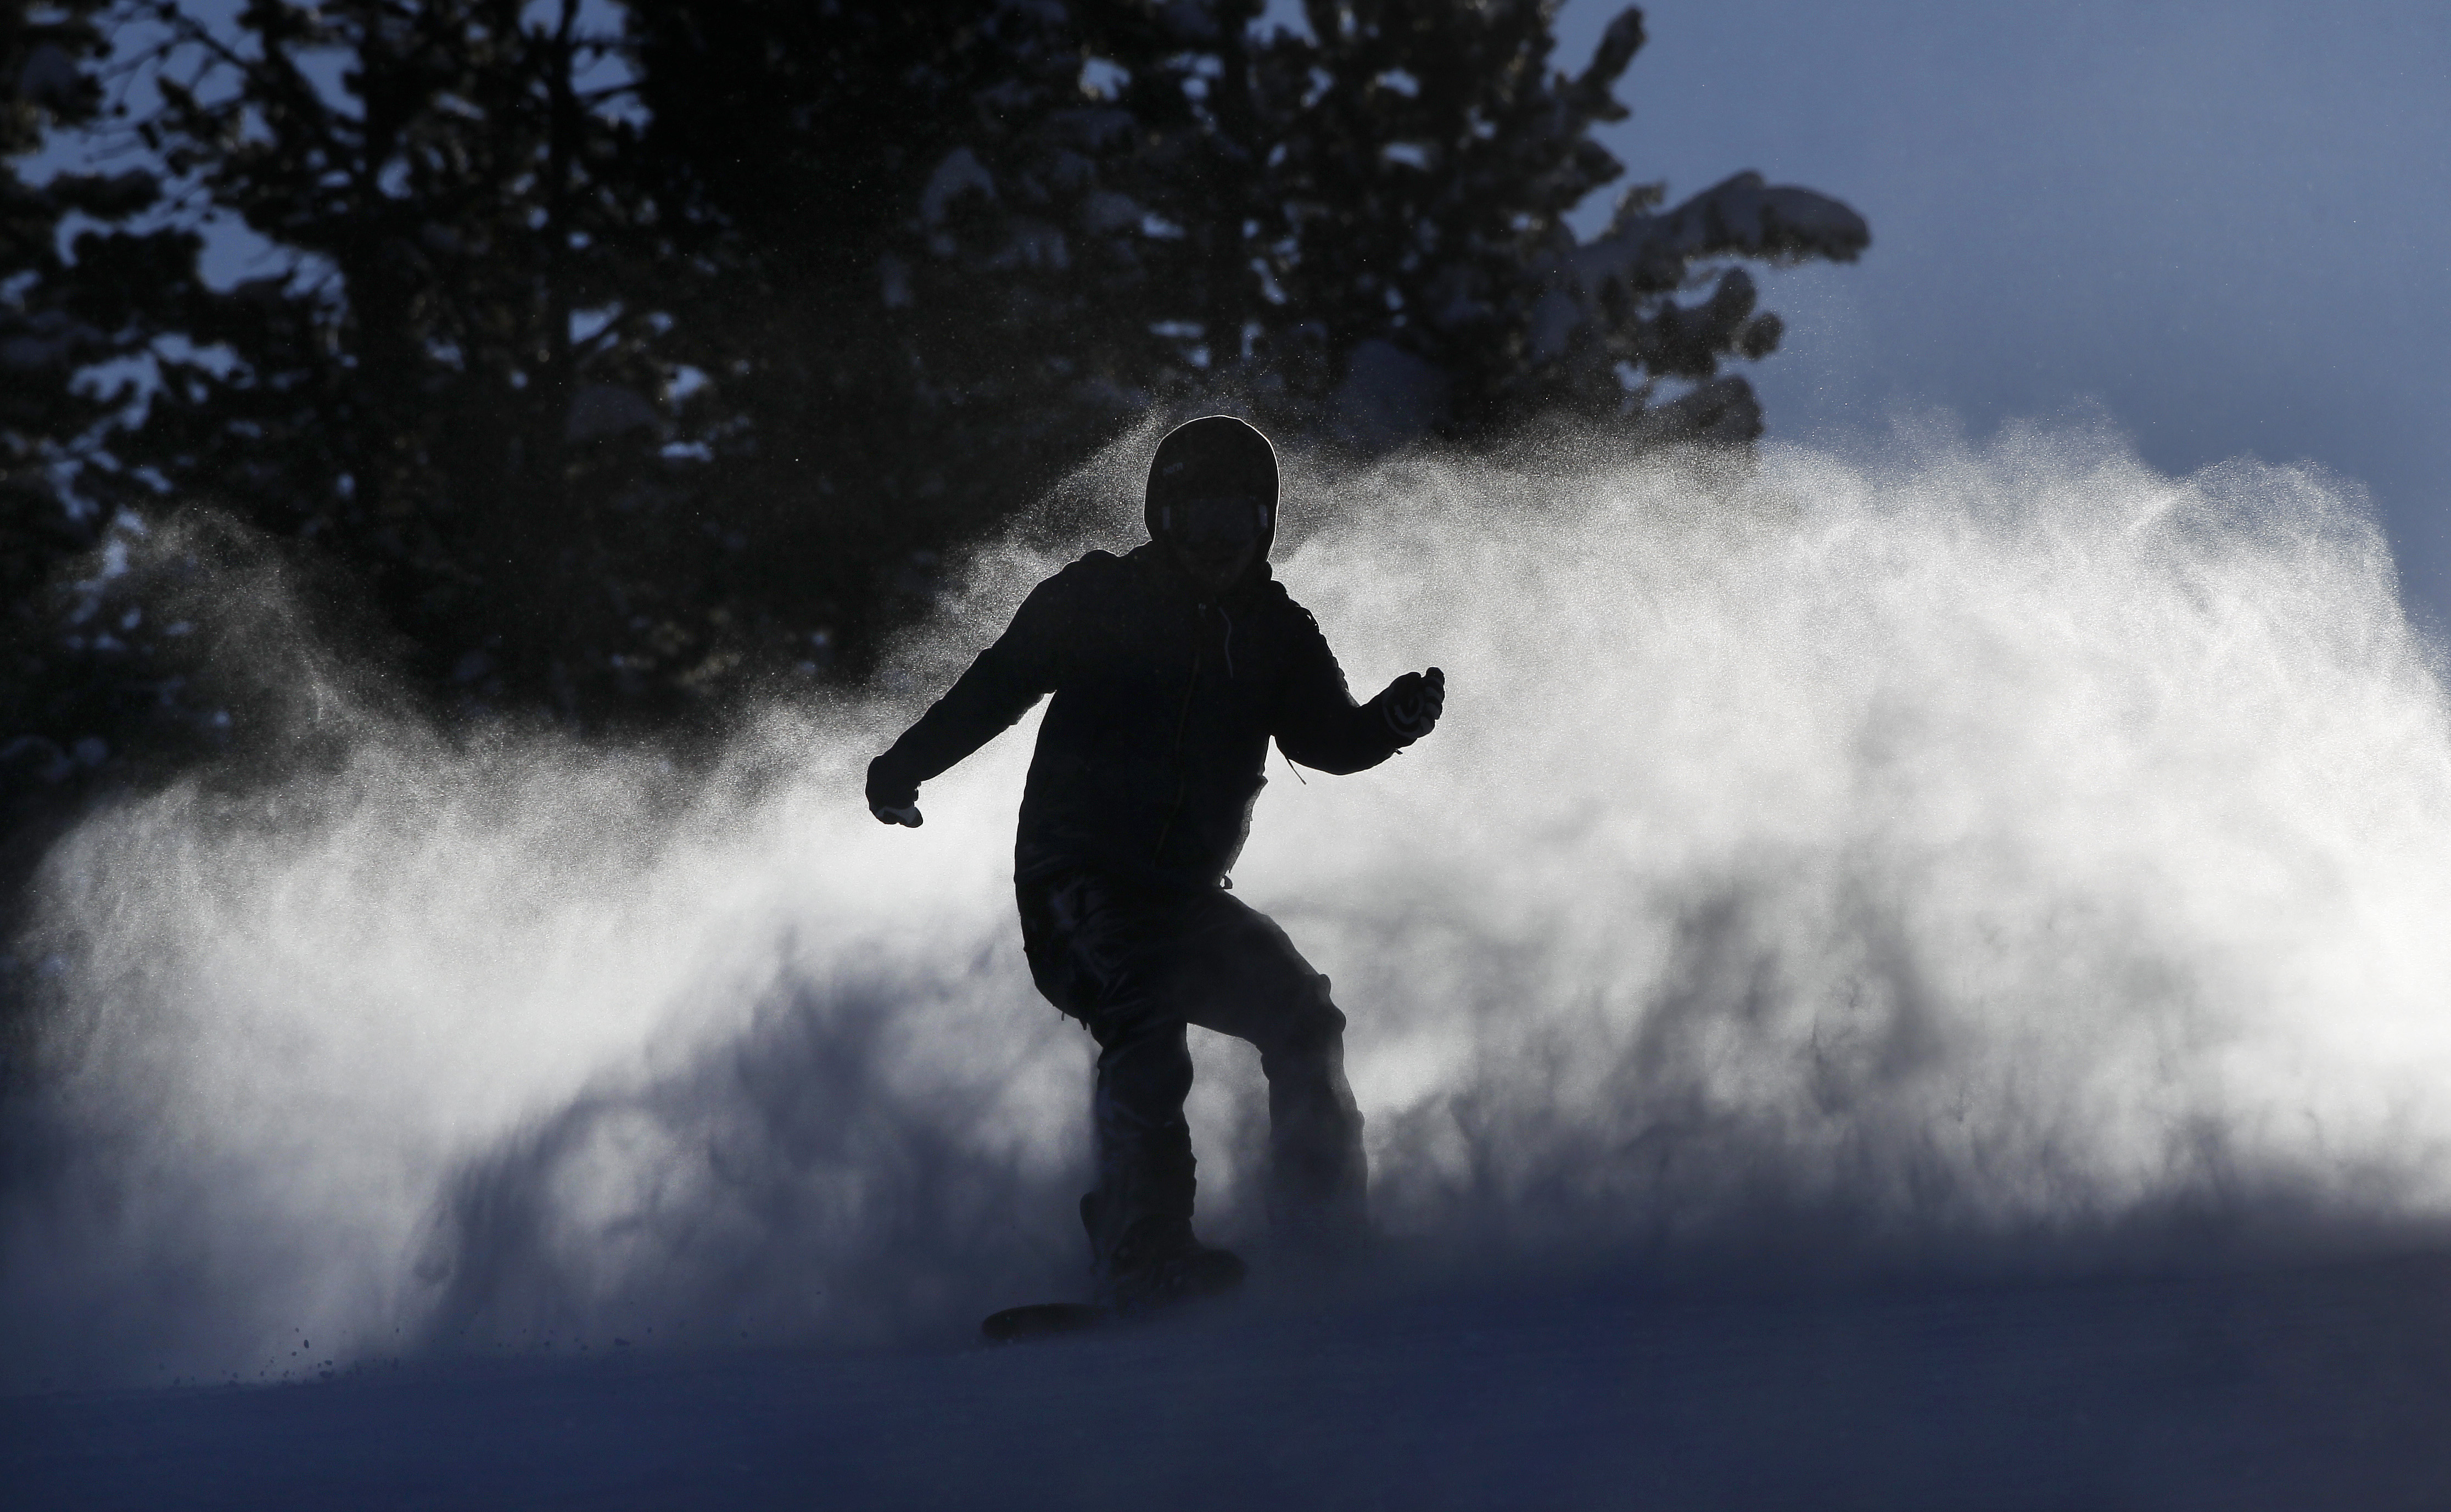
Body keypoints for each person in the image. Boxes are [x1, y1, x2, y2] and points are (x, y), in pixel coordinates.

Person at [866, 415, 1444, 1313]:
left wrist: (1388, 725)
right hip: (1075, 884)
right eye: (1197, 516)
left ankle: (1324, 1232)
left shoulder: (1275, 631)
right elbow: (995, 686)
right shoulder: (1098, 598)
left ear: (1265, 525)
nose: (1218, 539)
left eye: (1239, 518)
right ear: (1161, 518)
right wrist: (904, 765)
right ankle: (1143, 1246)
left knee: (1302, 1014)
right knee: (1143, 1011)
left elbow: (1327, 737)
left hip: (1183, 900)